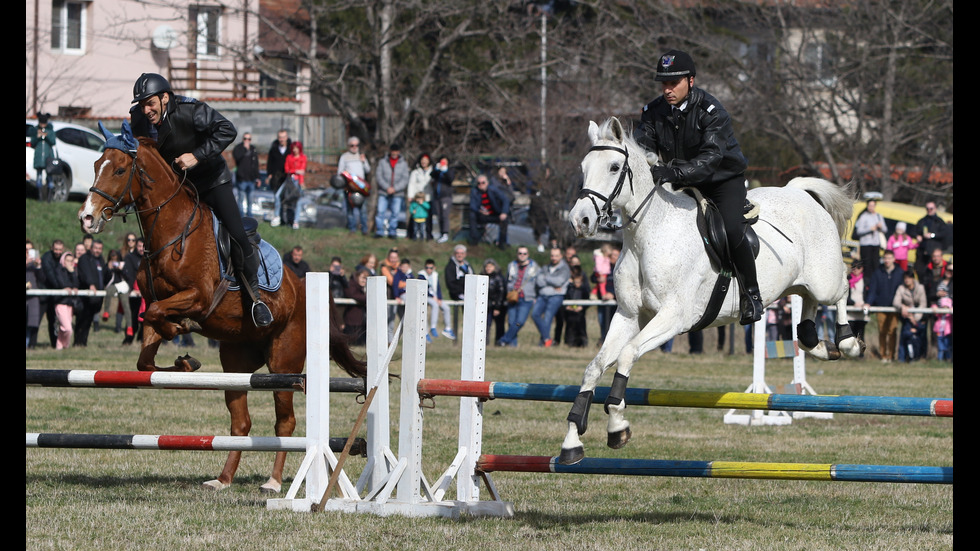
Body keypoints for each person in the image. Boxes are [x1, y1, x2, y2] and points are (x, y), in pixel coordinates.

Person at [129, 72, 272, 327]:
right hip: (179, 187)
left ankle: (255, 299)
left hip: (212, 181)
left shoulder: (190, 110)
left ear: (164, 98)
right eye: (142, 104)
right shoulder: (139, 119)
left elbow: (228, 129)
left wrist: (196, 155)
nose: (146, 109)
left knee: (238, 235)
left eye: (150, 103)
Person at [634, 49, 761, 325]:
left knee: (730, 227)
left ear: (691, 81)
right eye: (664, 84)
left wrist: (671, 172)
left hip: (720, 181)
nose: (667, 90)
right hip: (677, 180)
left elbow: (710, 158)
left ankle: (752, 295)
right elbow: (641, 145)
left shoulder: (712, 111)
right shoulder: (652, 112)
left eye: (673, 83)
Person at [496, 246, 540, 348]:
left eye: (524, 253)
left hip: (526, 298)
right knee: (512, 322)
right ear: (517, 254)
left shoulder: (534, 267)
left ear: (528, 255)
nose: (522, 255)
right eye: (520, 253)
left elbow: (539, 282)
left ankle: (504, 340)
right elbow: (507, 280)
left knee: (519, 322)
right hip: (512, 297)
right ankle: (512, 345)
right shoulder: (511, 265)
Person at [865, 249, 903, 363]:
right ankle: (883, 355)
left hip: (894, 308)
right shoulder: (878, 272)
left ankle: (891, 356)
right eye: (885, 258)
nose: (887, 260)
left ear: (894, 259)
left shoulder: (900, 272)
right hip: (881, 307)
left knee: (892, 332)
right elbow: (873, 290)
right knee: (882, 331)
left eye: (889, 258)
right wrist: (869, 302)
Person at [531, 246, 570, 347]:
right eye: (552, 255)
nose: (554, 258)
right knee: (535, 314)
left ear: (561, 256)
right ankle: (547, 338)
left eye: (556, 256)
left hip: (556, 296)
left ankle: (544, 342)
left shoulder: (565, 269)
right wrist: (553, 284)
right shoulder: (545, 267)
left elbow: (559, 281)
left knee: (548, 318)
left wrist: (546, 279)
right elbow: (539, 281)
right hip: (543, 295)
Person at [74, 238, 108, 347]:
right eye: (96, 248)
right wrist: (90, 284)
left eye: (100, 249)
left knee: (88, 321)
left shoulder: (101, 260)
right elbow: (85, 273)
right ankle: (77, 342)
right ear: (91, 248)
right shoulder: (84, 258)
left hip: (96, 297)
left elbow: (104, 276)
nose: (97, 251)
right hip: (85, 296)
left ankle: (83, 343)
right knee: (81, 320)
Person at [374, 143, 410, 239]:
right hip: (384, 191)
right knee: (380, 211)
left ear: (399, 152)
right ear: (390, 151)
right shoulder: (383, 162)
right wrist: (387, 187)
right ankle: (379, 231)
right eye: (393, 151)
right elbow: (379, 176)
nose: (394, 153)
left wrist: (395, 188)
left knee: (395, 213)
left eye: (396, 151)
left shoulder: (403, 164)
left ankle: (392, 232)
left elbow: (405, 179)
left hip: (397, 193)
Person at [337, 136, 371, 235]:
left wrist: (364, 161)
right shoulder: (344, 157)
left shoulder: (361, 156)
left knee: (363, 210)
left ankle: (364, 229)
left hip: (361, 187)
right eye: (352, 145)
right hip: (349, 187)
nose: (354, 147)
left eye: (356, 145)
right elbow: (340, 172)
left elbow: (368, 170)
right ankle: (352, 229)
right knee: (350, 209)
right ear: (348, 146)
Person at [468, 173, 511, 248]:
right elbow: (473, 205)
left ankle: (502, 243)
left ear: (487, 183)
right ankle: (474, 239)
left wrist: (504, 212)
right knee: (472, 215)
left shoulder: (493, 190)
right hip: (483, 215)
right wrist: (480, 211)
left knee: (505, 219)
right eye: (479, 183)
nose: (481, 185)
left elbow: (505, 200)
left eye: (483, 182)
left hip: (495, 214)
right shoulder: (474, 191)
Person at [894, 270, 927, 362]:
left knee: (919, 339)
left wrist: (915, 318)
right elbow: (896, 302)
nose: (907, 280)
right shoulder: (901, 288)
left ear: (913, 279)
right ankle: (902, 359)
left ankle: (919, 358)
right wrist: (902, 307)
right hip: (906, 318)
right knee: (904, 338)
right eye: (905, 278)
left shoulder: (920, 288)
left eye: (909, 278)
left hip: (918, 318)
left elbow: (923, 304)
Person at [419, 258, 454, 341]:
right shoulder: (421, 275)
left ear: (434, 268)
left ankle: (448, 328)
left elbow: (438, 288)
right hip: (425, 296)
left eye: (430, 268)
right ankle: (432, 327)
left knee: (446, 308)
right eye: (427, 267)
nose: (428, 270)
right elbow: (424, 287)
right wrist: (432, 296)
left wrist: (439, 298)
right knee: (435, 305)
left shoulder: (435, 275)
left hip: (434, 297)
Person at [40, 239, 66, 348]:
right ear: (52, 248)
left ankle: (55, 344)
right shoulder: (46, 258)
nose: (58, 252)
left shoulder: (64, 258)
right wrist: (63, 287)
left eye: (60, 249)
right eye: (56, 249)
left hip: (56, 295)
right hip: (45, 294)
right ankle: (30, 344)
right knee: (36, 319)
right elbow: (50, 275)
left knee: (54, 321)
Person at [52, 251, 80, 350]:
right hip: (60, 302)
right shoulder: (59, 269)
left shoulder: (73, 271)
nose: (69, 263)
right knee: (68, 328)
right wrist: (66, 287)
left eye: (71, 261)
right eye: (67, 260)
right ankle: (66, 346)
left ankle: (59, 347)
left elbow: (76, 284)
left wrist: (72, 272)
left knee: (62, 329)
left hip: (70, 303)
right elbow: (61, 283)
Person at [914, 201, 949, 276]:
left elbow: (944, 234)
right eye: (927, 209)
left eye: (931, 208)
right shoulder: (922, 221)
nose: (929, 210)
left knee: (932, 274)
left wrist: (933, 235)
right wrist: (917, 235)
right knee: (919, 271)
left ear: (935, 209)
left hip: (933, 252)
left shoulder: (939, 221)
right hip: (922, 252)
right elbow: (914, 230)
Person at [29, 112, 58, 202]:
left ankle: (49, 199)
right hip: (39, 158)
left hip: (48, 158)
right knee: (39, 177)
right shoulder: (35, 130)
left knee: (49, 178)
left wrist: (47, 135)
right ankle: (40, 197)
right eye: (41, 123)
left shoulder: (50, 130)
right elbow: (32, 143)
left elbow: (53, 142)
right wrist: (37, 136)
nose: (42, 125)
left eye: (44, 123)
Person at [231, 132, 262, 217]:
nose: (247, 141)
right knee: (241, 199)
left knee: (250, 200)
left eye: (249, 139)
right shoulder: (238, 148)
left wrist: (258, 178)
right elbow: (237, 158)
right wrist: (245, 149)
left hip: (251, 179)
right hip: (242, 179)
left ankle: (250, 216)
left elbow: (255, 164)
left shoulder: (253, 149)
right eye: (245, 139)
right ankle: (241, 216)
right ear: (242, 139)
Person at [101, 248, 131, 335]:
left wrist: (121, 269)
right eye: (112, 257)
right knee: (109, 292)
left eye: (115, 257)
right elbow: (105, 279)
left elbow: (128, 277)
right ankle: (106, 312)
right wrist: (109, 269)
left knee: (126, 305)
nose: (114, 259)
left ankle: (129, 326)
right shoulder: (107, 266)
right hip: (112, 286)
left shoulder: (122, 265)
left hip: (122, 286)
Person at [266, 129, 292, 227]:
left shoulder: (291, 149)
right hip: (276, 178)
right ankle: (277, 217)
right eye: (280, 137)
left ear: (287, 137)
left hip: (287, 178)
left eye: (283, 137)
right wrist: (270, 175)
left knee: (286, 200)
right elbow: (270, 163)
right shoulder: (274, 148)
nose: (281, 139)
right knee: (277, 197)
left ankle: (287, 220)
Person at [122, 237, 145, 345]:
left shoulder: (149, 257)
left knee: (145, 319)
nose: (141, 249)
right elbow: (129, 274)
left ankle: (141, 339)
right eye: (139, 246)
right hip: (134, 293)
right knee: (132, 318)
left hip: (145, 294)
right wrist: (134, 288)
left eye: (143, 246)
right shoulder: (130, 257)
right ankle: (128, 339)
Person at [854, 199, 887, 274]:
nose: (871, 207)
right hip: (865, 244)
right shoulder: (863, 216)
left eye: (873, 205)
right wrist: (869, 229)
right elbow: (859, 231)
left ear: (875, 206)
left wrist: (880, 227)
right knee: (867, 265)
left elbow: (885, 230)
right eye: (869, 205)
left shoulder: (878, 216)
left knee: (875, 264)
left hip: (876, 244)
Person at [562, 265, 591, 348]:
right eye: (575, 282)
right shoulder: (569, 289)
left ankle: (583, 344)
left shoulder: (584, 290)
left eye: (578, 282)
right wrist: (568, 307)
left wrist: (582, 307)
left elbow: (587, 301)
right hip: (570, 313)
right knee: (570, 328)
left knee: (581, 329)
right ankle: (569, 343)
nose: (576, 284)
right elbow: (566, 298)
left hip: (580, 313)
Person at [407, 153, 434, 240]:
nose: (424, 162)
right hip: (417, 197)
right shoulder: (415, 172)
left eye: (426, 160)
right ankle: (411, 235)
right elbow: (411, 184)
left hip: (428, 197)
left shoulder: (433, 171)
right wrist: (410, 195)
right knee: (414, 216)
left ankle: (428, 235)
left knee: (428, 217)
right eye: (422, 160)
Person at [845, 263, 869, 357]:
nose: (855, 270)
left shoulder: (865, 281)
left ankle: (860, 355)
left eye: (858, 267)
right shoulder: (847, 279)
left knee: (860, 334)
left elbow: (868, 294)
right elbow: (845, 295)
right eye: (853, 267)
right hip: (850, 311)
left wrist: (865, 304)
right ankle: (851, 354)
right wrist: (852, 303)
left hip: (861, 312)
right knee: (851, 335)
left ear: (862, 268)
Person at [482, 258, 508, 345]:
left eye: (490, 266)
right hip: (486, 304)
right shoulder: (482, 276)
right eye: (487, 266)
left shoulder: (498, 278)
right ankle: (484, 342)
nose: (488, 268)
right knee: (485, 324)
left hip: (497, 305)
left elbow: (501, 293)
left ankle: (499, 341)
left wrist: (497, 307)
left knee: (499, 325)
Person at [430, 156, 455, 243]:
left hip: (446, 196)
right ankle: (441, 233)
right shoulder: (437, 170)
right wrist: (437, 169)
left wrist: (445, 171)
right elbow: (432, 175)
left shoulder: (450, 170)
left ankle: (445, 233)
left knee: (445, 215)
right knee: (439, 215)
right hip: (437, 196)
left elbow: (450, 179)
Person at [282, 141, 307, 229]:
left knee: (298, 202)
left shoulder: (303, 158)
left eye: (297, 148)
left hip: (298, 182)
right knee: (289, 201)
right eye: (294, 148)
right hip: (290, 181)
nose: (295, 150)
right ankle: (290, 220)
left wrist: (301, 183)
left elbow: (302, 172)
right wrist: (295, 171)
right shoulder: (289, 157)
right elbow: (287, 170)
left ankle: (296, 221)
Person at [343, 267, 370, 346]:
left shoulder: (361, 288)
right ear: (357, 276)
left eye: (366, 278)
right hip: (351, 321)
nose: (364, 280)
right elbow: (353, 295)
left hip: (360, 321)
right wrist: (369, 297)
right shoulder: (351, 285)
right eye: (363, 278)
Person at [379, 248, 401, 341]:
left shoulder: (399, 268)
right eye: (391, 257)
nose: (393, 260)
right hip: (386, 298)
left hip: (395, 299)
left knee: (391, 325)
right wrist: (405, 283)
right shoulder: (384, 267)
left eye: (395, 257)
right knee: (384, 323)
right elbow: (392, 282)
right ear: (388, 257)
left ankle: (390, 344)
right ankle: (382, 342)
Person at [26, 241, 43, 349]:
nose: (27, 252)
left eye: (30, 250)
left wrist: (39, 267)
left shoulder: (34, 264)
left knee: (30, 323)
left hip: (32, 296)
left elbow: (42, 279)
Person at [932, 295, 953, 362]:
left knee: (947, 347)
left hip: (947, 333)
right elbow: (933, 307)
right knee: (940, 348)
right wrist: (935, 308)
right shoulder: (939, 314)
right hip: (940, 333)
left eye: (946, 307)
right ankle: (940, 360)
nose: (945, 309)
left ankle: (948, 359)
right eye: (943, 307)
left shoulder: (949, 315)